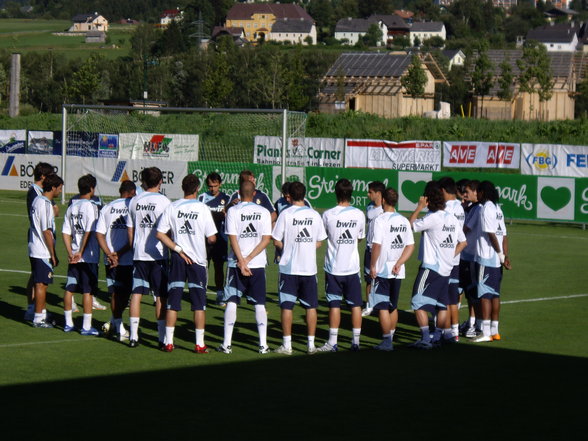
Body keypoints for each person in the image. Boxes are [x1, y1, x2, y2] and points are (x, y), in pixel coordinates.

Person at [156, 175, 217, 353]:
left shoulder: (172, 206)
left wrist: (177, 248)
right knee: (199, 304)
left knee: (173, 302)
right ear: (197, 188)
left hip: (177, 258)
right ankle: (199, 344)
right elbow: (212, 238)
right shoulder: (203, 208)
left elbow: (160, 234)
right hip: (197, 260)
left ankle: (168, 342)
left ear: (182, 187)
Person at [408, 181, 466, 349]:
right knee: (442, 305)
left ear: (429, 200)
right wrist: (449, 256)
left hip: (431, 268)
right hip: (447, 269)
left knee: (417, 302)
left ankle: (426, 338)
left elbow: (409, 225)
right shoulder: (451, 218)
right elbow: (463, 242)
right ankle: (438, 336)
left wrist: (419, 207)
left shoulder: (432, 218)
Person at [217, 180, 272, 354]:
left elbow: (232, 238)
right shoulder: (263, 212)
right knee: (259, 304)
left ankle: (227, 344)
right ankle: (263, 345)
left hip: (236, 265)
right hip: (257, 264)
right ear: (254, 193)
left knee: (232, 301)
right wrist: (248, 260)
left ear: (239, 194)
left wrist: (241, 261)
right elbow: (266, 240)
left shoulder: (233, 211)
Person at [272, 181, 327, 355]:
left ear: (290, 195)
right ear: (304, 194)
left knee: (287, 306)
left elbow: (276, 239)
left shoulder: (286, 214)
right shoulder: (314, 215)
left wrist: (288, 247)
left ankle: (287, 346)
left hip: (289, 268)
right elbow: (319, 241)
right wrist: (308, 247)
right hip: (308, 268)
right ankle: (311, 345)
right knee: (311, 307)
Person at [317, 178, 366, 352]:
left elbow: (323, 238)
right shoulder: (359, 214)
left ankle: (333, 342)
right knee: (355, 305)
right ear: (351, 194)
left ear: (336, 193)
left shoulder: (328, 214)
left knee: (334, 304)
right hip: (352, 267)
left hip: (333, 267)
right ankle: (356, 342)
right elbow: (359, 238)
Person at [127, 167, 171, 348]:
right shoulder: (165, 202)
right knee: (160, 295)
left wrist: (134, 247)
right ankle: (162, 339)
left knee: (136, 294)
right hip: (158, 254)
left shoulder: (134, 201)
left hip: (139, 254)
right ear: (161, 181)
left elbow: (131, 230)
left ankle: (133, 337)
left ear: (143, 181)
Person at [369, 188, 414, 351]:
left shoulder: (380, 220)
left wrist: (373, 265)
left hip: (383, 269)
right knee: (392, 306)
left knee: (381, 306)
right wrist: (400, 262)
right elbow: (410, 245)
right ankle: (390, 337)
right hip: (397, 269)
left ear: (383, 201)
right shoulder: (403, 220)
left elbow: (376, 246)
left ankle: (387, 341)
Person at [95, 180, 137, 342]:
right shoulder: (132, 207)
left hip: (110, 260)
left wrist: (109, 254)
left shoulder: (107, 207)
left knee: (115, 293)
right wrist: (119, 254)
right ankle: (119, 328)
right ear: (132, 192)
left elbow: (99, 234)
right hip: (126, 259)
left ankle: (115, 324)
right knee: (125, 295)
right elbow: (132, 238)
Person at [62, 174, 101, 335]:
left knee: (69, 288)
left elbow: (66, 232)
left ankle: (68, 323)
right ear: (91, 188)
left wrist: (71, 252)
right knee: (87, 291)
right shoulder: (90, 206)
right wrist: (80, 252)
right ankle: (86, 326)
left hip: (74, 256)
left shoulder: (72, 206)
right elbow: (89, 231)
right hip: (88, 256)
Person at [472, 181, 508, 343]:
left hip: (486, 257)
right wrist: (504, 256)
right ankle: (495, 330)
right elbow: (504, 235)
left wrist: (500, 254)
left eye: (478, 192)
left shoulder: (486, 208)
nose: (477, 195)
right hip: (496, 260)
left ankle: (485, 332)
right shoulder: (498, 209)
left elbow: (491, 233)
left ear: (482, 193)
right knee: (495, 295)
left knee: (485, 295)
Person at [24, 162, 58, 322]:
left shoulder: (40, 196)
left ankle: (36, 310)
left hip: (37, 242)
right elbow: (44, 226)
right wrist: (53, 253)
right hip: (40, 243)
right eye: (50, 175)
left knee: (37, 278)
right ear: (44, 177)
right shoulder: (37, 195)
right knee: (40, 282)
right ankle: (36, 313)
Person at [68, 174, 107, 312]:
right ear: (92, 188)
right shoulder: (75, 201)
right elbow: (87, 229)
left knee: (84, 280)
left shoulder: (96, 200)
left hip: (83, 248)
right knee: (76, 282)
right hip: (85, 248)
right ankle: (73, 303)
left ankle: (92, 300)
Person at [438, 177, 465, 342]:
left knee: (444, 298)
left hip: (445, 257)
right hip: (456, 256)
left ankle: (445, 331)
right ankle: (454, 333)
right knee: (453, 299)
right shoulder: (460, 208)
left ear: (443, 190)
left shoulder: (446, 208)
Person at [198, 172, 230, 306]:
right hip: (205, 239)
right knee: (204, 266)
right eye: (210, 186)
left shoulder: (227, 198)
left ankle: (220, 294)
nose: (213, 189)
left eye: (215, 186)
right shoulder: (201, 198)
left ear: (220, 184)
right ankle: (201, 293)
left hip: (220, 239)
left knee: (219, 267)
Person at [459, 180, 483, 338]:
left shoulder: (478, 208)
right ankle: (471, 321)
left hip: (472, 256)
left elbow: (465, 229)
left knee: (473, 292)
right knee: (468, 292)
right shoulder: (471, 207)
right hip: (466, 255)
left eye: (467, 192)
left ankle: (476, 324)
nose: (465, 195)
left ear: (476, 192)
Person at [361, 181, 385, 317]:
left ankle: (382, 304)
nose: (367, 194)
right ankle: (369, 305)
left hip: (381, 249)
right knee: (369, 278)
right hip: (369, 247)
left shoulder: (386, 208)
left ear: (378, 193)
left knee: (382, 278)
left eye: (370, 192)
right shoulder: (369, 206)